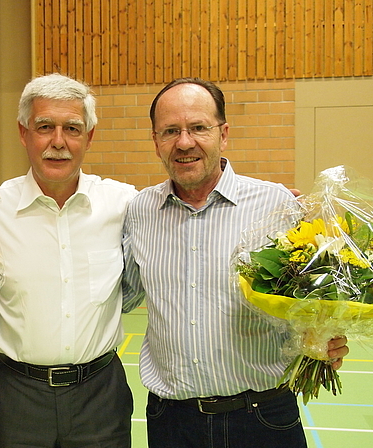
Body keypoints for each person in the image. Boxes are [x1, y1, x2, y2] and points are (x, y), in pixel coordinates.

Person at [121, 77, 349, 448]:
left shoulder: (277, 204)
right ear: (155, 141)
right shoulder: (140, 211)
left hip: (261, 416)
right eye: (170, 131)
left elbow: (313, 299)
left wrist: (325, 336)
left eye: (198, 128)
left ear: (223, 134)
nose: (184, 142)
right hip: (171, 422)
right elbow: (120, 295)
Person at [0, 73, 137, 448]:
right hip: (17, 397)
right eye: (44, 127)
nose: (58, 142)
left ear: (89, 137)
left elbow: (188, 207)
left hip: (101, 398)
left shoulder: (124, 204)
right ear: (23, 133)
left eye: (72, 128)